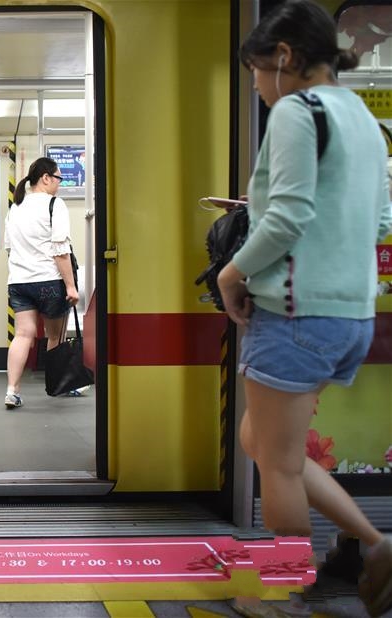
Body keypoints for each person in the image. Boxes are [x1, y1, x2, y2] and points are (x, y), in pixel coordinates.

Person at [216, 2, 392, 616]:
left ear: (285, 58)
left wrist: (231, 272)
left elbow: (289, 218)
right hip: (350, 316)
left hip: (294, 315)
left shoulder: (298, 109)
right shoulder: (363, 121)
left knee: (280, 467)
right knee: (260, 441)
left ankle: (284, 588)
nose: (260, 91)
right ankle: (375, 543)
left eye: (259, 74)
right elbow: (380, 218)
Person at [3, 157, 79, 409]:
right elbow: (60, 249)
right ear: (46, 178)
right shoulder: (55, 205)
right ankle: (57, 385)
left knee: (22, 335)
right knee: (54, 336)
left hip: (19, 282)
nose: (59, 184)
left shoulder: (16, 207)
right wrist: (70, 286)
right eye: (58, 178)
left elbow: (8, 248)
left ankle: (12, 391)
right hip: (49, 280)